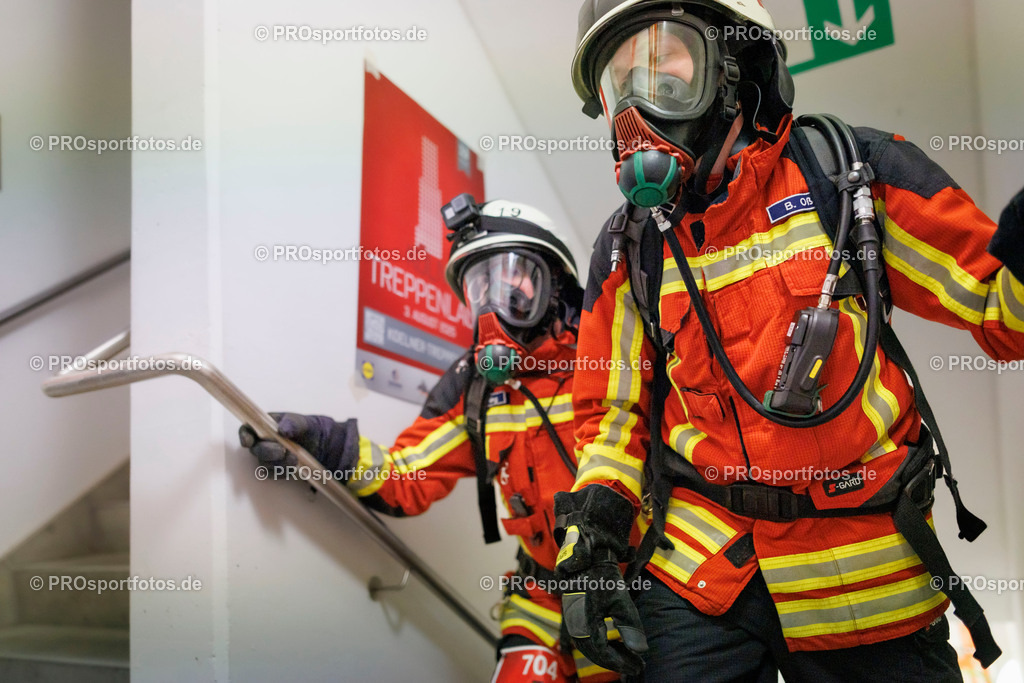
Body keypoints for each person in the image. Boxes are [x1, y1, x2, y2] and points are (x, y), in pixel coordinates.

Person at [552, 1, 1024, 680]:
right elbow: (611, 415)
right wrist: (593, 532)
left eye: (663, 66)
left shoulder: (852, 173)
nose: (635, 110)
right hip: (704, 571)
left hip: (863, 575)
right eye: (617, 83)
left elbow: (999, 310)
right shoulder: (629, 247)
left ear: (730, 64)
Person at [239, 194, 620, 683]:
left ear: (557, 284)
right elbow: (406, 475)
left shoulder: (612, 356)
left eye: (511, 278)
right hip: (541, 597)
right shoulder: (474, 390)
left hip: (630, 588)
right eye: (478, 287)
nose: (492, 304)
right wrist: (323, 444)